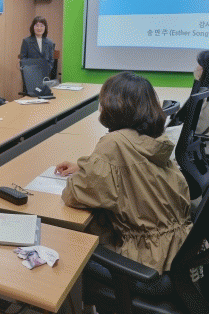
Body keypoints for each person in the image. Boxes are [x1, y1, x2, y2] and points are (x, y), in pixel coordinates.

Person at [56, 72, 191, 274]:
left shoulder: (114, 143)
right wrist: (90, 166)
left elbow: (74, 194)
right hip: (177, 247)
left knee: (71, 243)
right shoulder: (153, 137)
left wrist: (88, 170)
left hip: (147, 257)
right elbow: (133, 170)